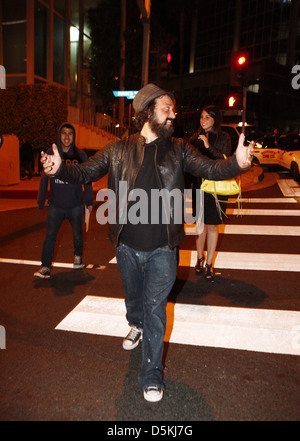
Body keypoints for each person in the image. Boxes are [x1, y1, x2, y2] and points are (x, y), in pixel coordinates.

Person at [40, 84, 254, 402]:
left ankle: (151, 375)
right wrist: (60, 169)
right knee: (134, 299)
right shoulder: (117, 150)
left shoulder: (179, 149)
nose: (173, 114)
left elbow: (210, 168)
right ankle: (134, 324)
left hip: (163, 250)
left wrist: (237, 163)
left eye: (173, 109)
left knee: (155, 309)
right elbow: (86, 172)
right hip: (126, 246)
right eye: (167, 108)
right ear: (148, 111)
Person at [34, 123, 93, 279]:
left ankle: (78, 257)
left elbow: (87, 179)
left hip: (75, 205)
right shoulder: (51, 153)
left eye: (70, 134)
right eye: (64, 133)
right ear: (59, 135)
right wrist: (41, 199)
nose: (67, 137)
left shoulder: (80, 156)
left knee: (78, 235)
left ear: (74, 137)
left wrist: (89, 201)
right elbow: (44, 177)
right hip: (56, 205)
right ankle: (45, 267)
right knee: (50, 236)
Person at [189, 105, 232, 281]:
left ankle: (210, 264)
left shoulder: (224, 137)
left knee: (213, 225)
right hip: (200, 186)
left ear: (215, 119)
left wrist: (208, 145)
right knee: (200, 226)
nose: (203, 120)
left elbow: (224, 161)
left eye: (207, 117)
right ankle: (200, 257)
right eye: (202, 117)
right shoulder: (194, 138)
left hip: (218, 187)